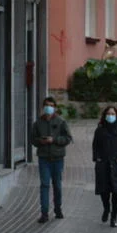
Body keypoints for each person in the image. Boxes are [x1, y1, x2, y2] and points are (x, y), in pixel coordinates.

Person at [31, 96, 72, 224]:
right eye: (46, 105)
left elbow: (68, 138)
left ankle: (58, 209)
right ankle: (44, 213)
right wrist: (41, 141)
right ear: (43, 107)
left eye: (51, 106)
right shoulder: (38, 123)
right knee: (44, 185)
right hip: (44, 158)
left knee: (57, 185)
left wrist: (54, 140)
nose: (48, 108)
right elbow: (33, 140)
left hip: (58, 159)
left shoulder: (61, 122)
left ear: (55, 108)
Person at [91, 105, 117, 228]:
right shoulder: (100, 130)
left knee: (116, 191)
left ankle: (114, 216)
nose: (110, 116)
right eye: (108, 114)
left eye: (113, 114)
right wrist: (97, 158)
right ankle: (106, 208)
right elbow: (95, 145)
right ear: (105, 116)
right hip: (103, 164)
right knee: (104, 191)